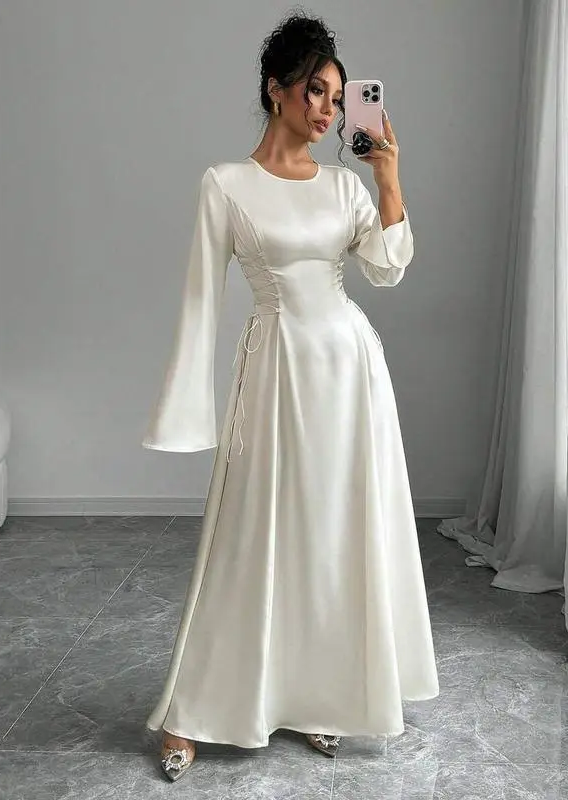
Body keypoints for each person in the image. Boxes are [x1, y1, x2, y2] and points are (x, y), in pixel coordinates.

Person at [141, 11, 439, 782]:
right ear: (275, 89)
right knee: (250, 536)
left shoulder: (344, 184)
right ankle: (191, 711)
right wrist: (188, 410)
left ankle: (318, 698)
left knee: (334, 535)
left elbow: (388, 267)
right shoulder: (226, 184)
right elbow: (201, 299)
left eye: (338, 98)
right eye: (315, 92)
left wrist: (388, 176)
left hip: (350, 372)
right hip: (276, 370)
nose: (329, 110)